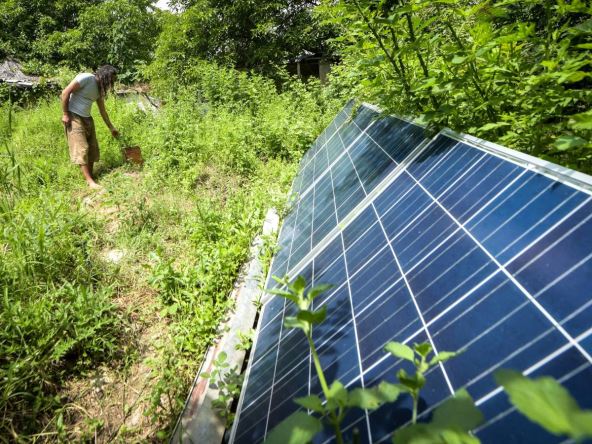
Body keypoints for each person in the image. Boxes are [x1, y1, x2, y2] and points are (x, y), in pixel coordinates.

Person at [61, 65, 120, 189]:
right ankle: (90, 182)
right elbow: (65, 92)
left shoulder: (100, 89)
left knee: (92, 148)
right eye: (111, 79)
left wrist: (111, 128)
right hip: (73, 115)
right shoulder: (86, 78)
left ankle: (91, 176)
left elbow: (103, 111)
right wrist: (66, 114)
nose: (111, 83)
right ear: (105, 76)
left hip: (87, 118)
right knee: (82, 147)